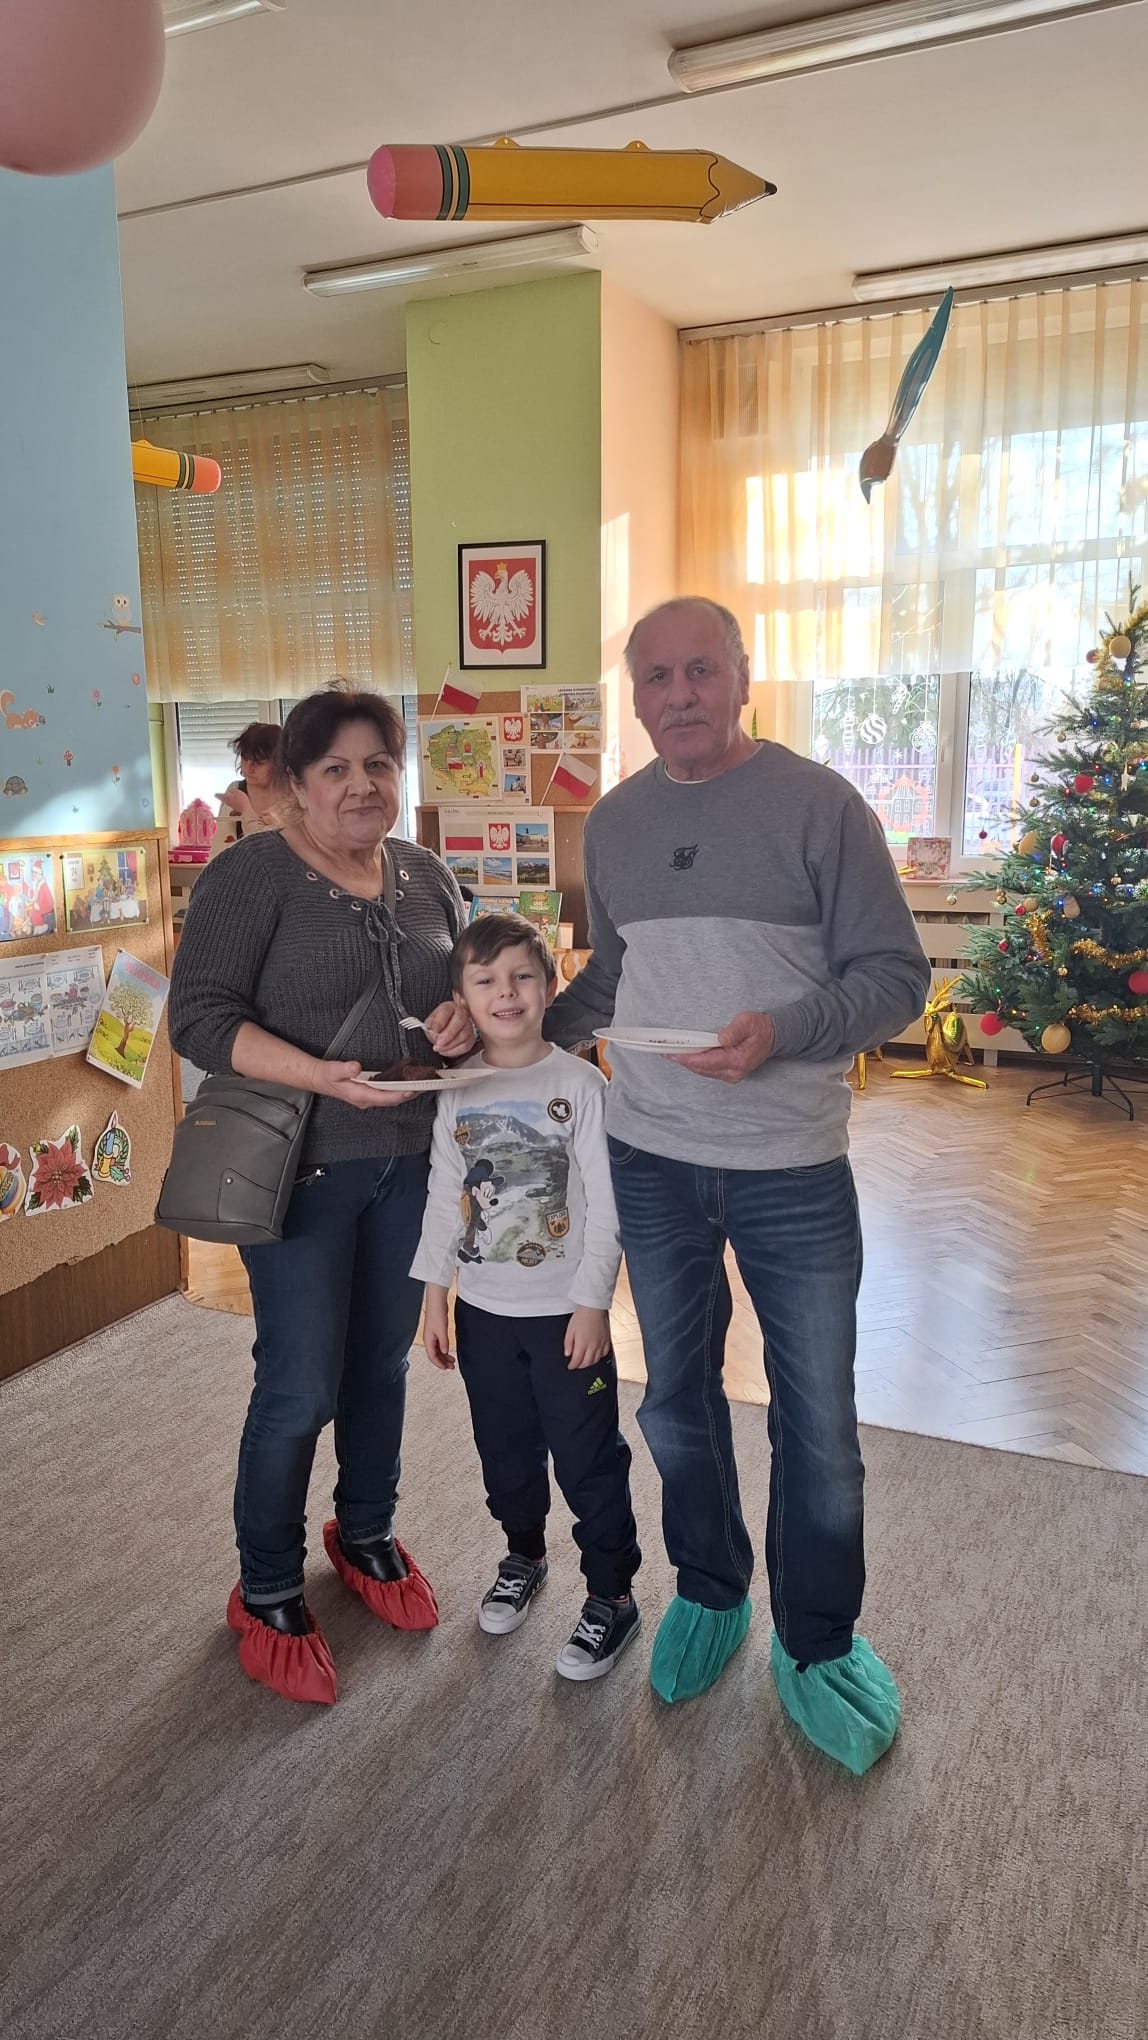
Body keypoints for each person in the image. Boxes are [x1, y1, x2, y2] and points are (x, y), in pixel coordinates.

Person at [545, 598, 931, 1774]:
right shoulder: (612, 825)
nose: (677, 694)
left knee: (817, 1423)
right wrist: (514, 1037)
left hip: (789, 1169)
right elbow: (613, 977)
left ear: (741, 677)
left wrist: (784, 1028)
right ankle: (710, 1589)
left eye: (699, 670)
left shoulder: (820, 806)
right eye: (654, 677)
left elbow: (894, 978)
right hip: (649, 1160)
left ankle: (815, 1639)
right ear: (633, 695)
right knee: (672, 1402)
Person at [168, 682, 468, 1707]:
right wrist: (322, 1077)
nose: (360, 784)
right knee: (299, 1383)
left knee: (379, 1365)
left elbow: (453, 996)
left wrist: (459, 1021)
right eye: (334, 768)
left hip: (409, 1162)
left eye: (378, 764)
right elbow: (200, 1020)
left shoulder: (426, 875)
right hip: (298, 1168)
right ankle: (264, 1587)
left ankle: (367, 1532)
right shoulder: (250, 876)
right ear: (294, 784)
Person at [411, 914, 642, 1682]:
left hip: (564, 1318)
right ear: (462, 999)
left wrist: (592, 1302)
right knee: (504, 1452)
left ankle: (612, 1594)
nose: (505, 993)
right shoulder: (458, 1088)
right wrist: (434, 1295)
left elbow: (607, 1206)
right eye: (486, 981)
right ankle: (524, 1556)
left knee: (587, 1459)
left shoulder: (581, 1084)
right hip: (483, 1316)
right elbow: (445, 1197)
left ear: (549, 985)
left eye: (521, 976)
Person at [208, 721, 282, 860]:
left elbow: (277, 852)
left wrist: (246, 810)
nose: (248, 768)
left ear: (279, 763)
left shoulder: (293, 796)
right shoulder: (235, 790)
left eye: (258, 763)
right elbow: (220, 851)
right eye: (245, 758)